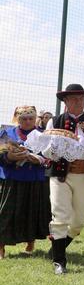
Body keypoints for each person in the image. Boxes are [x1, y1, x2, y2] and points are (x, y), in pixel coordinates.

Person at [45, 84, 84, 274]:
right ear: (65, 101)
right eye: (74, 99)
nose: (79, 102)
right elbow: (45, 147)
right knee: (60, 215)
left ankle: (57, 248)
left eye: (82, 98)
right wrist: (54, 149)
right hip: (60, 174)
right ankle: (59, 261)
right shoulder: (55, 122)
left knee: (78, 222)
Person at [0, 106, 51, 259]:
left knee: (32, 212)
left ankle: (30, 242)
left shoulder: (43, 135)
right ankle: (1, 247)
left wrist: (38, 159)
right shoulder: (7, 134)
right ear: (17, 118)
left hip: (36, 179)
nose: (27, 121)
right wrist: (10, 157)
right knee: (5, 213)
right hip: (12, 179)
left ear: (36, 118)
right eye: (24, 119)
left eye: (31, 118)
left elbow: (50, 157)